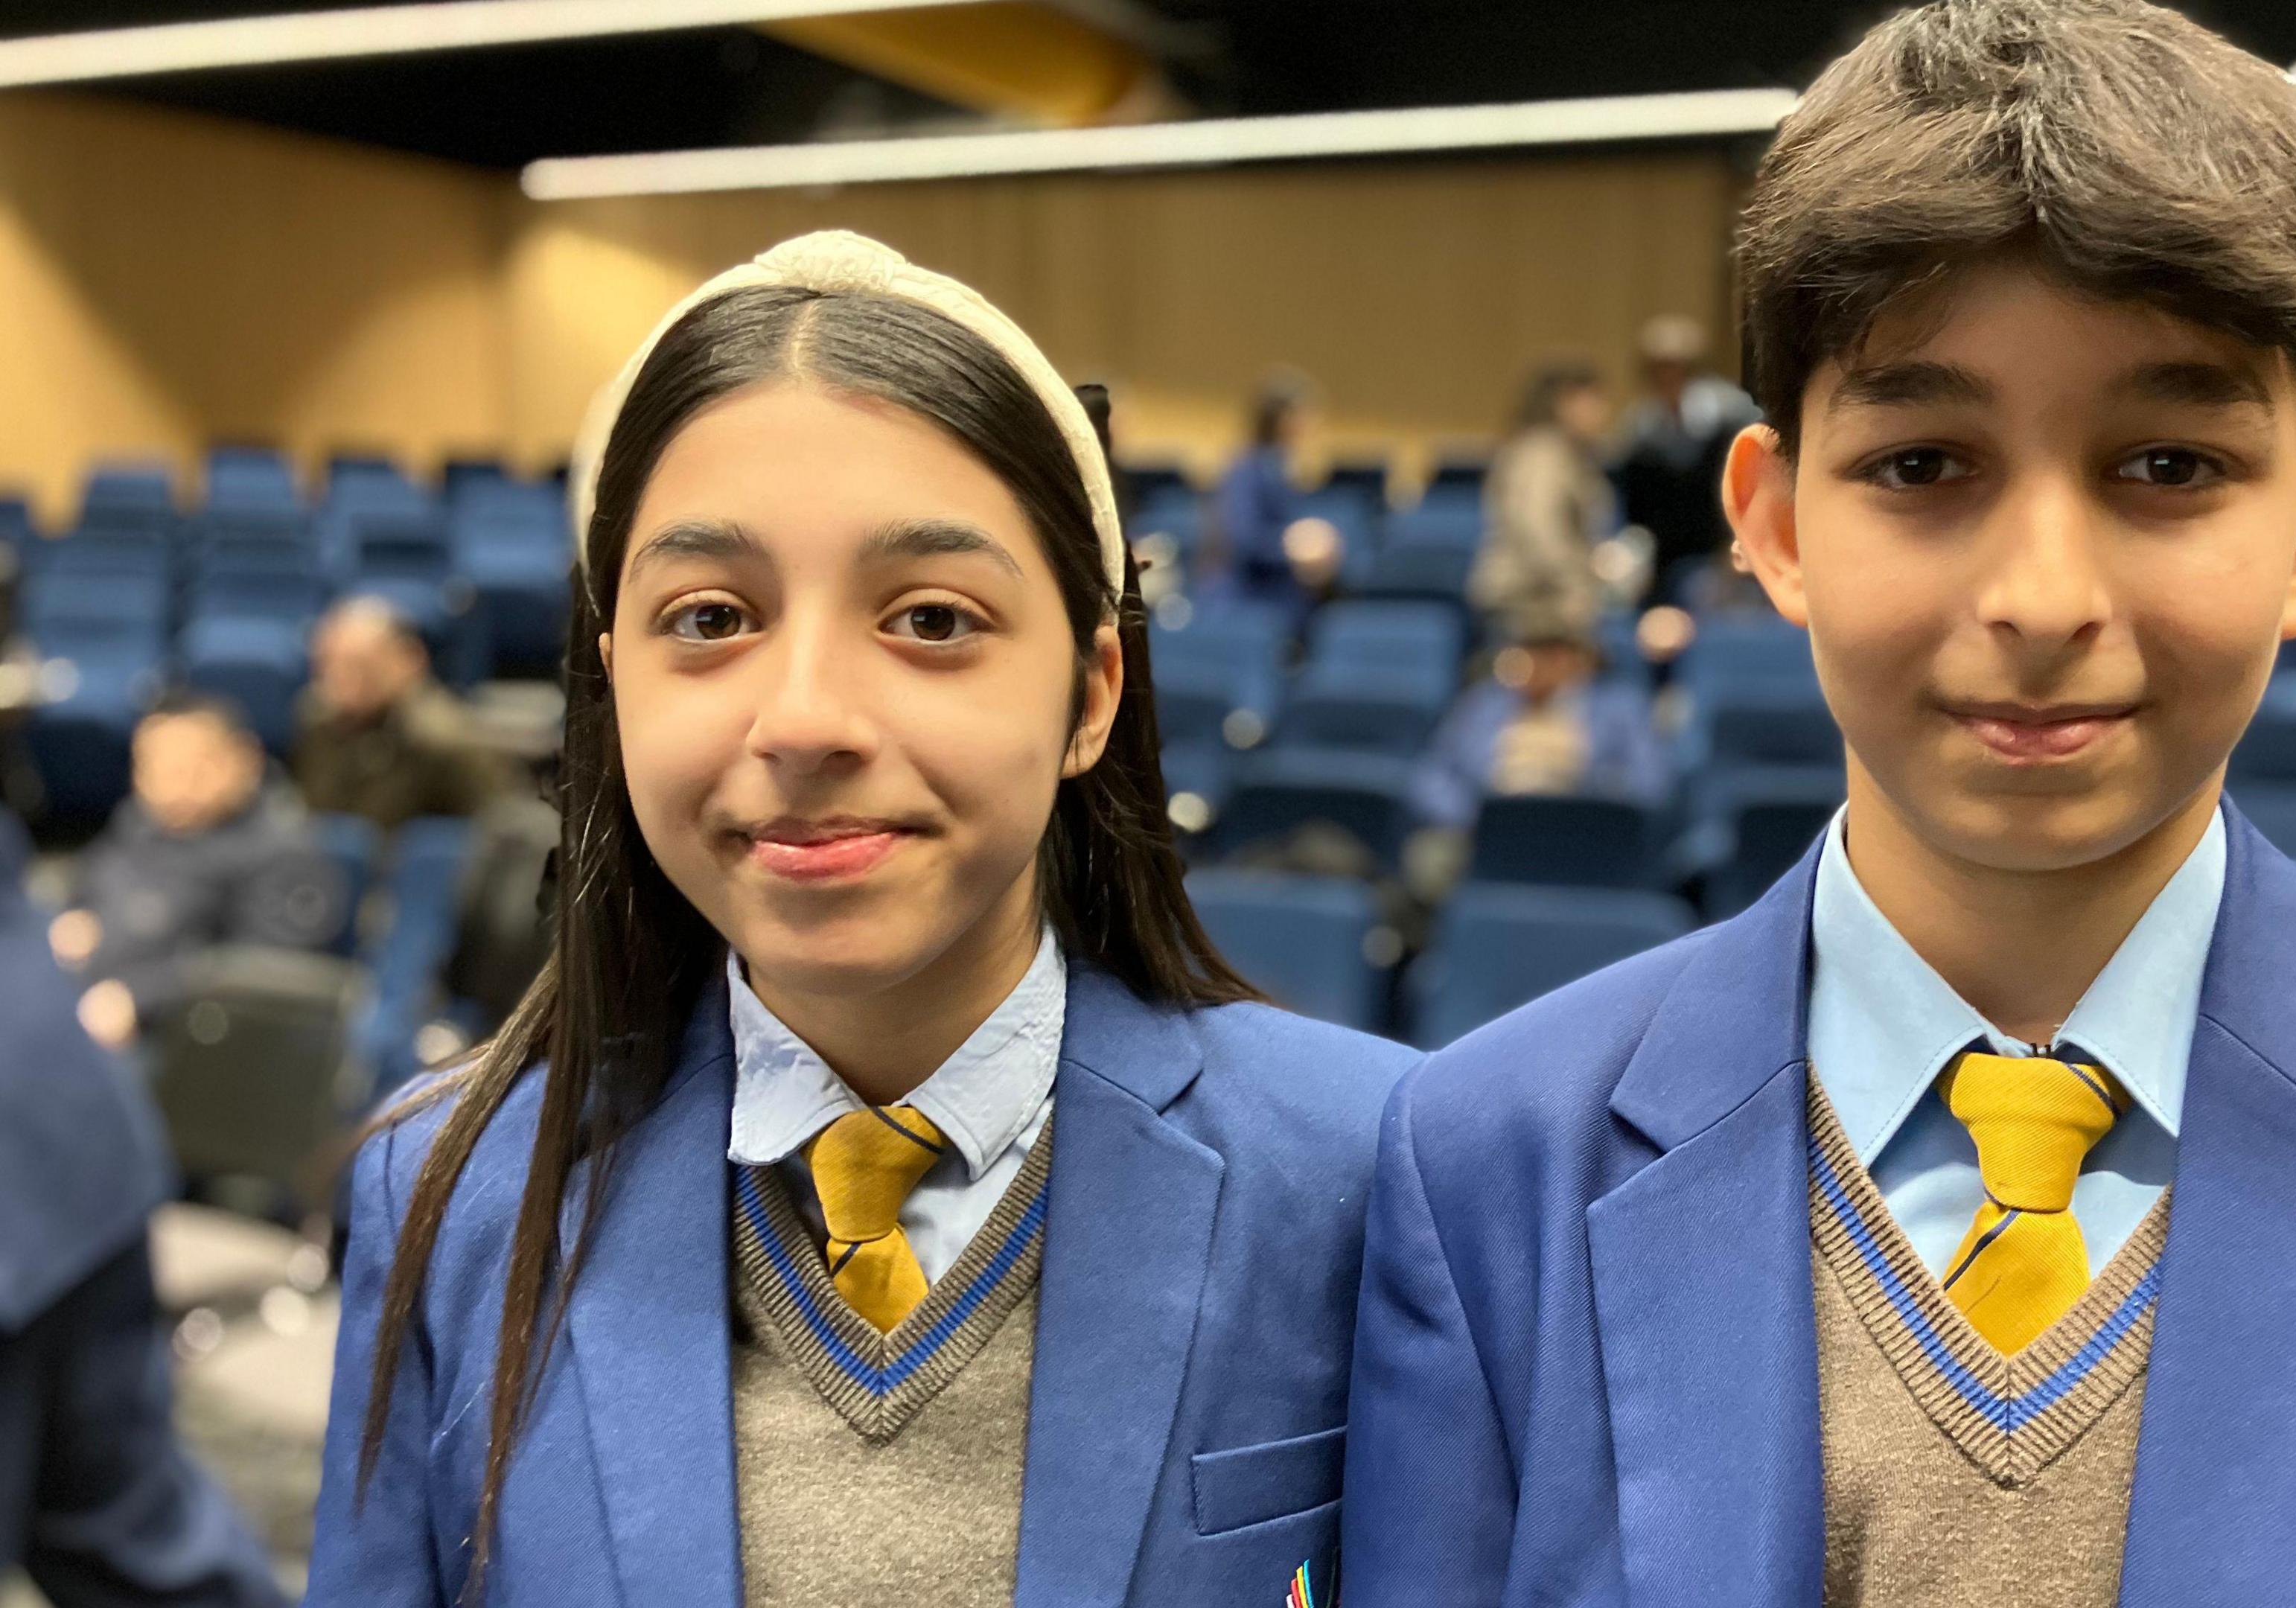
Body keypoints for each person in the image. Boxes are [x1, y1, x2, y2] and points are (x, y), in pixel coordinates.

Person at [1340, 3, 2296, 1606]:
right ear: (1770, 527)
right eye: (1922, 466)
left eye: (2169, 465)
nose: (2043, 598)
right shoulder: (1490, 1162)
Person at [307, 232, 1412, 1608]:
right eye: (709, 617)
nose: (806, 720)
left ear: (1090, 694)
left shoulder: (1383, 1172)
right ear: (613, 688)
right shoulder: (452, 1193)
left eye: (933, 620)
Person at [0, 808, 287, 1607]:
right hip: (58, 1139)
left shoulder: (260, 854)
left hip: (47, 1177)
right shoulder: (123, 846)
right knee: (141, 1540)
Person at [54, 694, 344, 1050]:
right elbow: (87, 891)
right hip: (87, 1016)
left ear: (244, 759)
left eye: (190, 769)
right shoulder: (138, 824)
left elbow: (262, 977)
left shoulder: (284, 855)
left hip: (196, 1047)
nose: (170, 789)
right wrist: (73, 923)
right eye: (151, 770)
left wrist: (139, 1000)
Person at [1409, 618, 1669, 834]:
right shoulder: (1482, 702)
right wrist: (1474, 817)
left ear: (1570, 660)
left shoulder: (1621, 707)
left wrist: (1587, 797)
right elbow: (1433, 774)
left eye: (1543, 655)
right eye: (1521, 651)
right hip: (1483, 831)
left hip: (1584, 834)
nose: (1526, 663)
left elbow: (1651, 784)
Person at [291, 594, 510, 832]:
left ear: (410, 659)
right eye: (328, 666)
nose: (343, 680)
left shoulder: (446, 740)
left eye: (362, 666)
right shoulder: (317, 723)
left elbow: (501, 827)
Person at [1617, 313, 1761, 608]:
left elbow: (1751, 488)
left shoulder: (1735, 417)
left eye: (1675, 367)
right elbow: (1638, 510)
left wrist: (1735, 549)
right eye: (1657, 368)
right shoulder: (1641, 429)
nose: (1667, 376)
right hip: (1667, 560)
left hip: (1727, 550)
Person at [1470, 361, 1616, 645]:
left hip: (1546, 602)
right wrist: (1579, 583)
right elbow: (1538, 532)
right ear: (1565, 402)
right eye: (1593, 400)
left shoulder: (1568, 454)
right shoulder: (1542, 454)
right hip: (1529, 604)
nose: (1602, 412)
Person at [1209, 374, 1340, 625]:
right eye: (1304, 414)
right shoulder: (1246, 468)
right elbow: (1243, 540)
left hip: (1284, 598)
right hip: (1249, 600)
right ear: (1283, 419)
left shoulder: (1285, 468)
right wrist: (1298, 548)